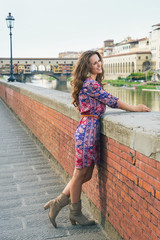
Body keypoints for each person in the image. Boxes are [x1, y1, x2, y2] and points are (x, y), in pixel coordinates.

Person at [44, 50, 151, 228]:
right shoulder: (90, 85)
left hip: (89, 131)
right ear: (87, 66)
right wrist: (135, 108)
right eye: (94, 63)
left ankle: (59, 202)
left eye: (99, 61)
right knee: (80, 175)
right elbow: (112, 100)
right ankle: (75, 213)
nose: (99, 64)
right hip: (87, 132)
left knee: (86, 174)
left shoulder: (91, 84)